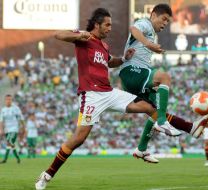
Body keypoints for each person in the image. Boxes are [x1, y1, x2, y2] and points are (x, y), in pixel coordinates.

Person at [35, 8, 177, 190]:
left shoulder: (103, 46)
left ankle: (155, 133)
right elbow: (58, 35)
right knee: (79, 138)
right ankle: (47, 175)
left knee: (148, 106)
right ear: (97, 24)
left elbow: (110, 62)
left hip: (109, 92)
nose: (110, 28)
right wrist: (78, 35)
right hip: (91, 95)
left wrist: (124, 59)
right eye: (107, 25)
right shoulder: (85, 38)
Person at [119, 3, 208, 163]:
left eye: (168, 21)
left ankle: (143, 148)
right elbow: (133, 29)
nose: (165, 24)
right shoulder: (145, 24)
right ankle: (162, 123)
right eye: (164, 19)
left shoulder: (151, 33)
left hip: (134, 75)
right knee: (164, 77)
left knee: (155, 110)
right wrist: (148, 44)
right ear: (153, 15)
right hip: (132, 71)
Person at [0, 94, 25, 164]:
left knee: (10, 142)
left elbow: (21, 118)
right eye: (7, 99)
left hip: (14, 129)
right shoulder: (3, 110)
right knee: (10, 144)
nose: (8, 101)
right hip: (7, 130)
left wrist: (23, 127)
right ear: (5, 100)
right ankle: (18, 158)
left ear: (11, 100)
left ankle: (5, 159)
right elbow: (1, 120)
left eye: (10, 99)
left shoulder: (16, 108)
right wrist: (1, 129)